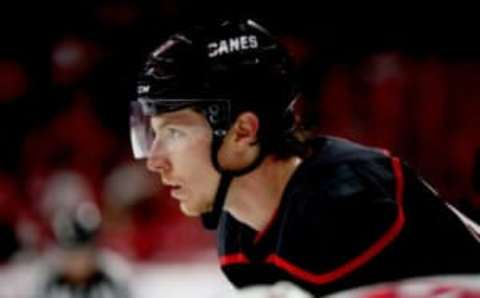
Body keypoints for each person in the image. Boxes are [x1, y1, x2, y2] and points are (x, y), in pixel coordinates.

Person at [130, 18, 480, 296]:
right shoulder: (239, 232)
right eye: (154, 134)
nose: (154, 159)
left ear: (243, 132)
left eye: (174, 133)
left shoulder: (344, 200)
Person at [35, 201, 130, 298]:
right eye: (72, 256)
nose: (77, 263)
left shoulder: (114, 280)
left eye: (83, 254)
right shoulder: (47, 286)